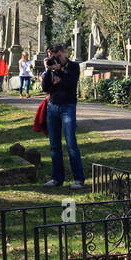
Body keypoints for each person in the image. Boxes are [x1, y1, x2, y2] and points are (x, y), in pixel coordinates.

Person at [41, 43, 84, 189]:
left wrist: (59, 71)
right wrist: (47, 71)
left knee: (71, 143)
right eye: (52, 56)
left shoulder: (73, 66)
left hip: (68, 106)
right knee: (54, 146)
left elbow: (70, 84)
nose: (56, 59)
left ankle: (78, 179)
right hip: (52, 106)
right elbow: (45, 88)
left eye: (58, 56)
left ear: (64, 53)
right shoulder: (51, 68)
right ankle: (57, 178)